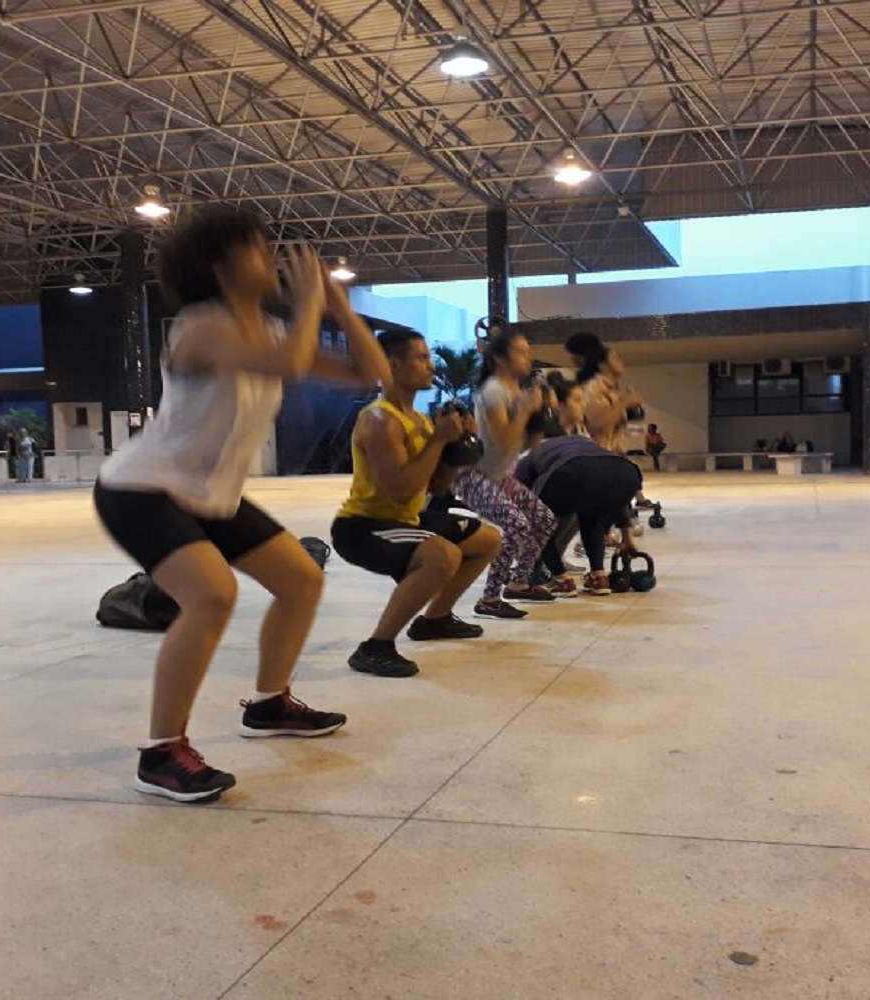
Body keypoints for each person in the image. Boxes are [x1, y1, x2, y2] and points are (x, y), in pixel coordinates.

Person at [93, 204, 389, 804]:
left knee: (301, 580)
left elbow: (369, 373)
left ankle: (269, 703)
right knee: (211, 595)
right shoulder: (201, 327)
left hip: (212, 495)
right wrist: (310, 305)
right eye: (260, 248)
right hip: (141, 488)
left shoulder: (273, 332)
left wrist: (339, 308)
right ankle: (160, 754)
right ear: (222, 267)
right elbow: (289, 363)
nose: (275, 259)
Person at [332, 329, 504, 679]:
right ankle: (375, 647)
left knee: (488, 539)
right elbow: (398, 489)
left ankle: (435, 619)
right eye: (421, 358)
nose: (431, 365)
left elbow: (437, 485)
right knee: (443, 554)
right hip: (365, 527)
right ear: (393, 365)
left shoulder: (422, 421)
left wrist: (455, 447)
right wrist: (438, 440)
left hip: (404, 520)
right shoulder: (380, 420)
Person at [449, 328, 564, 618]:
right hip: (475, 478)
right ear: (500, 359)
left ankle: (519, 583)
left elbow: (528, 445)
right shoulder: (493, 391)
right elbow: (502, 440)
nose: (528, 358)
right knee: (517, 525)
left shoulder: (518, 392)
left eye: (528, 351)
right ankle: (489, 599)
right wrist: (527, 410)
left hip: (500, 477)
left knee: (544, 519)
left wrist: (543, 414)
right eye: (521, 352)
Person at [516, 375, 647, 596]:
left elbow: (527, 502)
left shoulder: (541, 447)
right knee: (591, 515)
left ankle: (560, 579)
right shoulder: (580, 439)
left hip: (570, 477)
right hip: (627, 474)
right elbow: (610, 489)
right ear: (560, 406)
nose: (583, 405)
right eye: (577, 400)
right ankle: (599, 576)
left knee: (538, 522)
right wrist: (626, 535)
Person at [564, 331, 657, 514]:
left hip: (602, 458)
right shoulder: (594, 388)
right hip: (591, 462)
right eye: (616, 358)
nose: (621, 361)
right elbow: (597, 423)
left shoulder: (608, 390)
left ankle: (619, 534)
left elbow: (618, 431)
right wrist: (625, 403)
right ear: (603, 364)